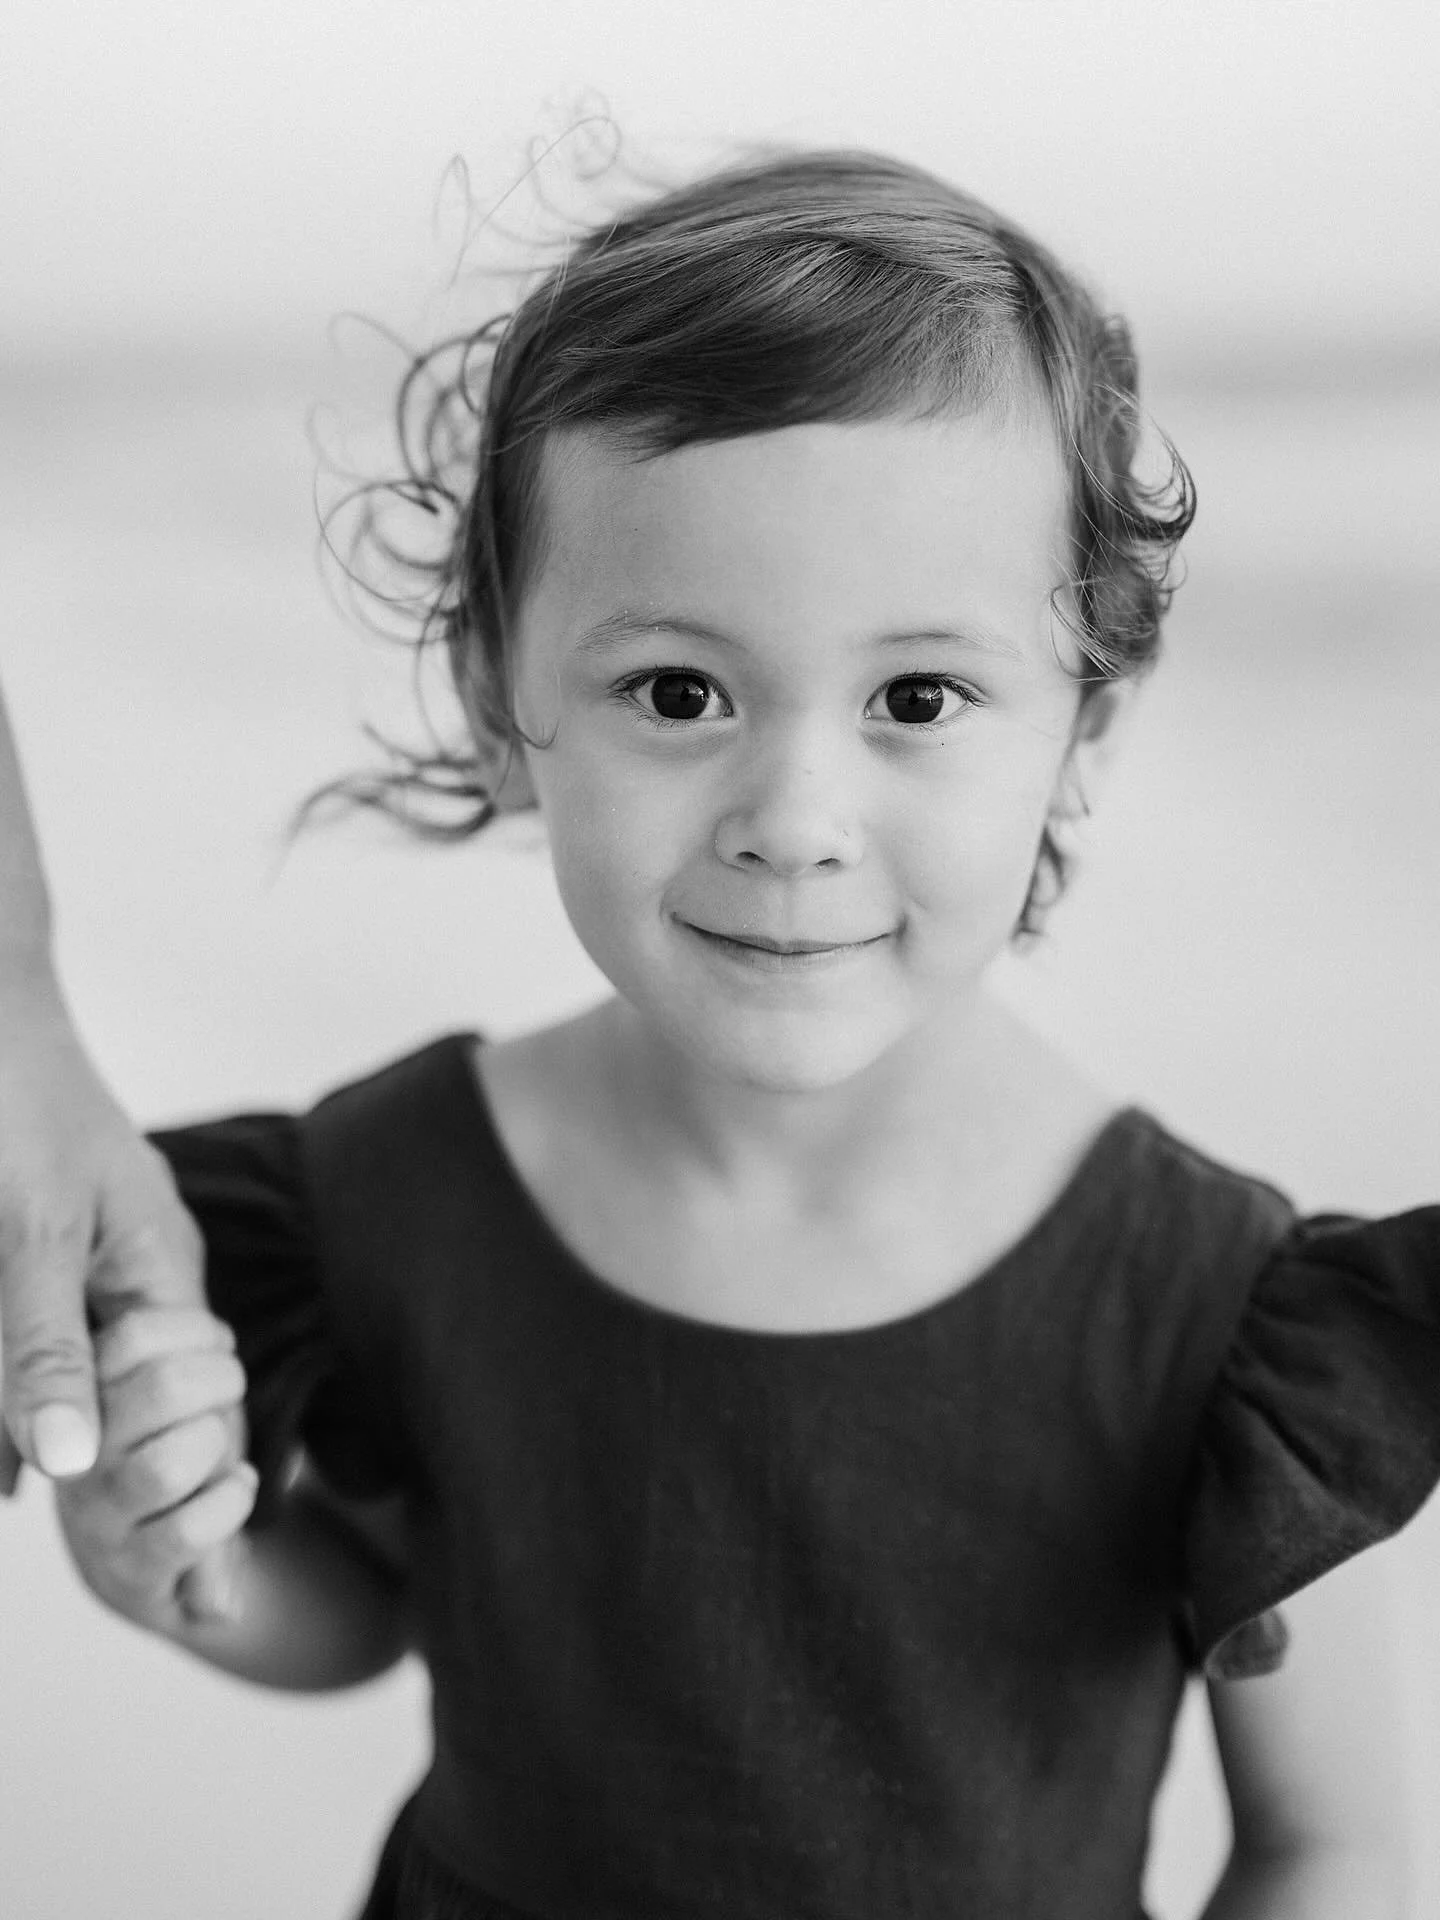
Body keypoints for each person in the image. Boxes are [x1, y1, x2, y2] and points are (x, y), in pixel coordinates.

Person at [6, 147, 1439, 1918]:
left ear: (1090, 717)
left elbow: (1334, 1851)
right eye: (678, 691)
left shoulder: (1222, 1318)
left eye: (920, 696)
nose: (795, 813)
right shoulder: (391, 1190)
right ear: (497, 693)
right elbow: (357, 1616)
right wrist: (181, 1563)